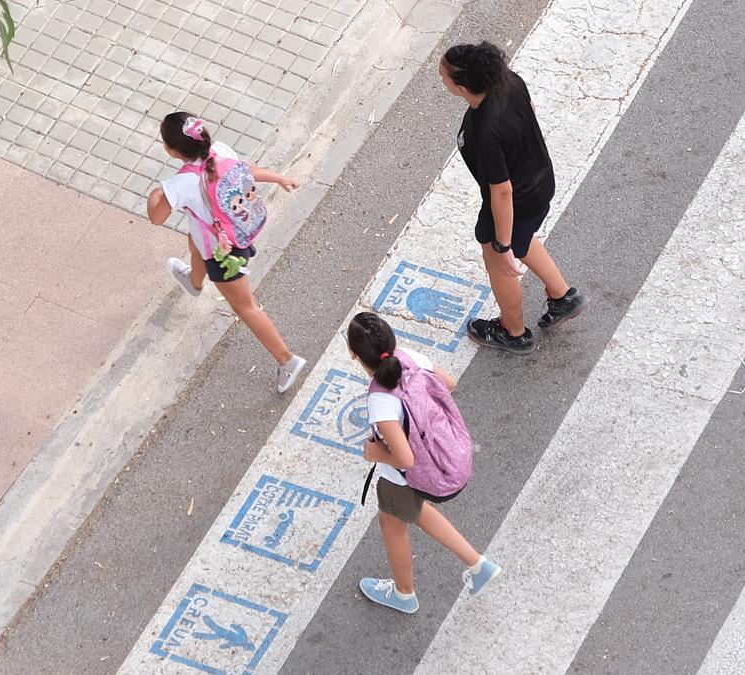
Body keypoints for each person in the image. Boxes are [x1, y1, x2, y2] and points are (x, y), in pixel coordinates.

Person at [347, 311, 500, 614]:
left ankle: (404, 594)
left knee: (392, 525)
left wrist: (377, 454)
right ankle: (477, 564)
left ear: (354, 355)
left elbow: (404, 457)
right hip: (443, 457)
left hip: (405, 477)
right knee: (415, 512)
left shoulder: (381, 400)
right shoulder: (409, 358)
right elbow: (449, 383)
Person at [440, 42, 587, 354]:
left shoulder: (486, 132)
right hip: (540, 181)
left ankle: (513, 331)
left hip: (516, 201)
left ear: (463, 86)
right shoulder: (510, 81)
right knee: (524, 237)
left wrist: (502, 246)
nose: (441, 78)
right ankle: (563, 297)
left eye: (445, 77)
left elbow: (502, 192)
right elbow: (530, 112)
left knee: (499, 262)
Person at [146, 112, 307, 393]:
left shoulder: (179, 185)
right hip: (238, 229)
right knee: (194, 239)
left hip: (224, 255)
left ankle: (287, 360)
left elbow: (156, 218)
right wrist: (279, 177)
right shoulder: (219, 150)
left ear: (171, 151)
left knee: (246, 307)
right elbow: (247, 170)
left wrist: (154, 197)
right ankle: (194, 283)